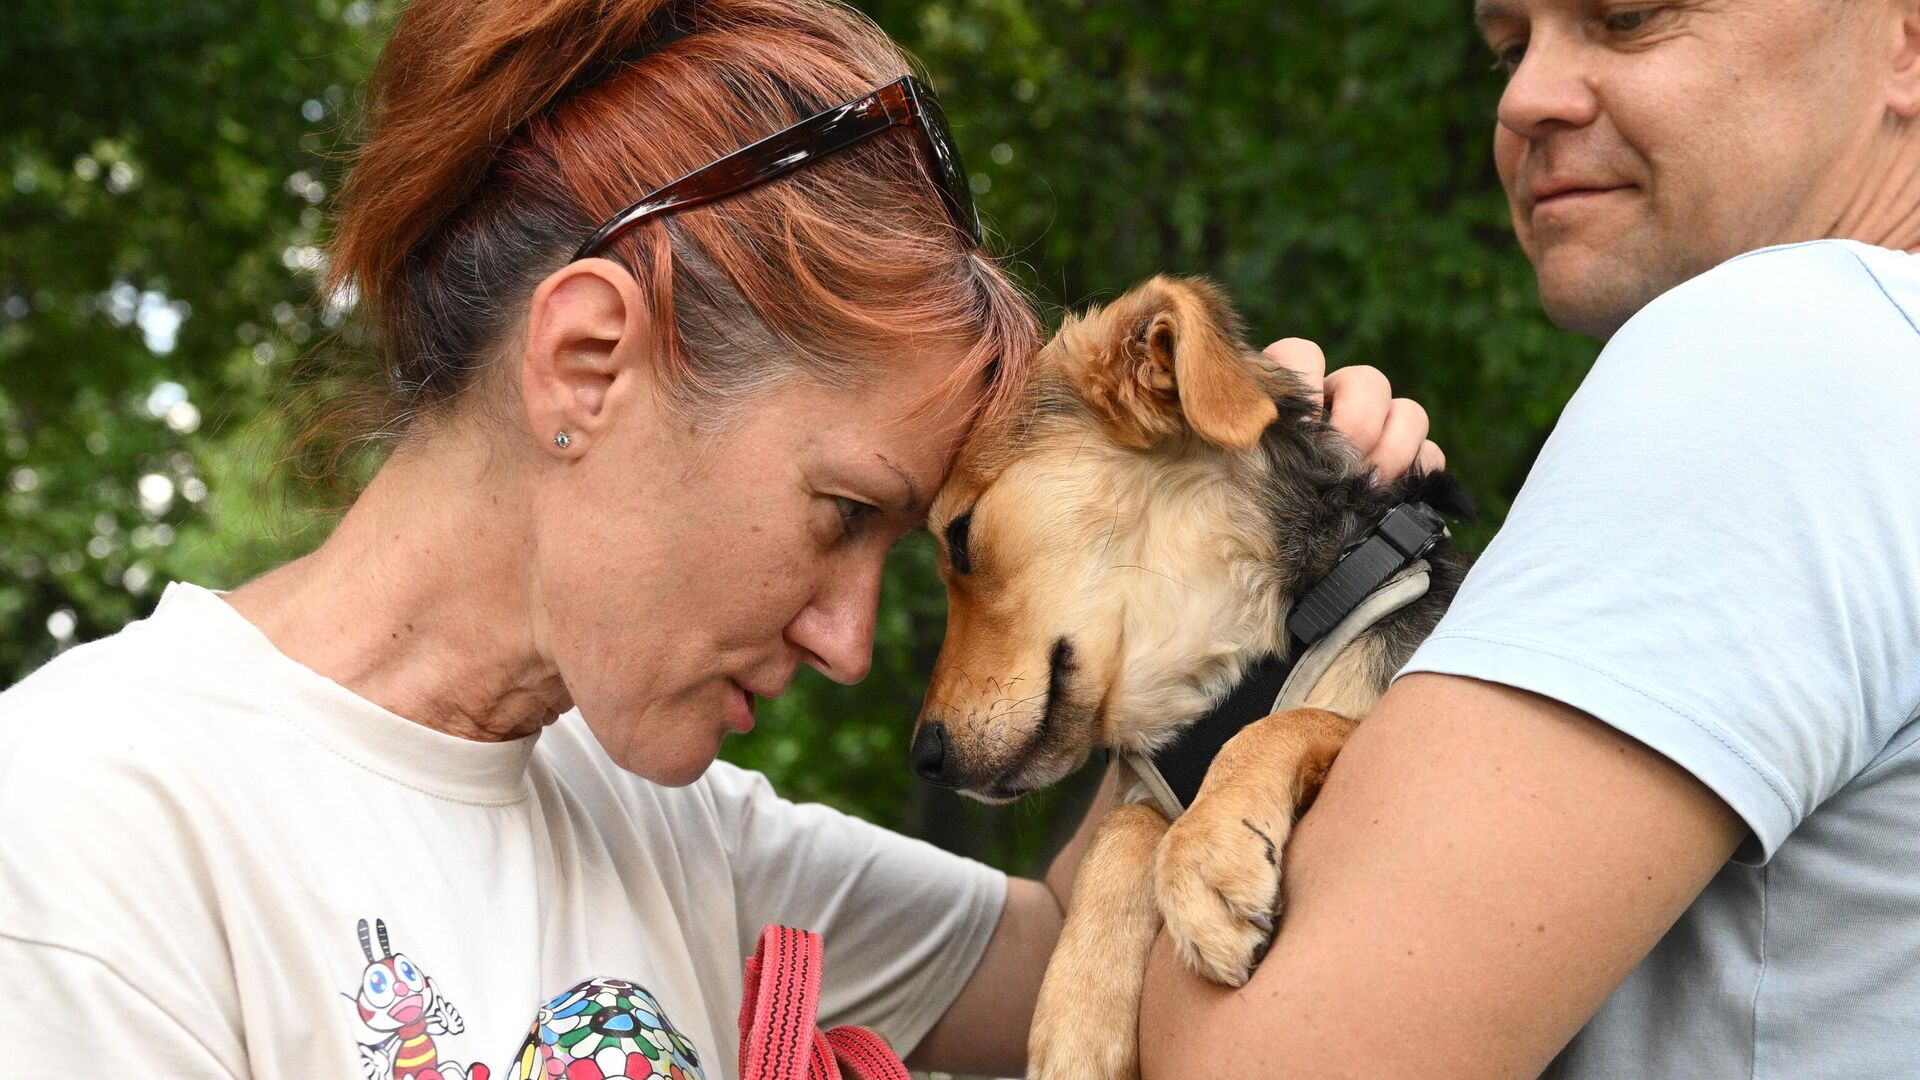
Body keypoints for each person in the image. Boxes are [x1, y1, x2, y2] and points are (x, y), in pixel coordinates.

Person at [0, 1, 1439, 1075]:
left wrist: (1262, 588)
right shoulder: (93, 827)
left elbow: (1090, 964)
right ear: (584, 365)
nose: (851, 643)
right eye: (842, 515)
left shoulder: (683, 833)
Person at [1137, 0, 1920, 1077]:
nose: (1522, 98)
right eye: (1510, 46)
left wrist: (1239, 639)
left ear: (1908, 41)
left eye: (1629, 18)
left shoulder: (1781, 345)